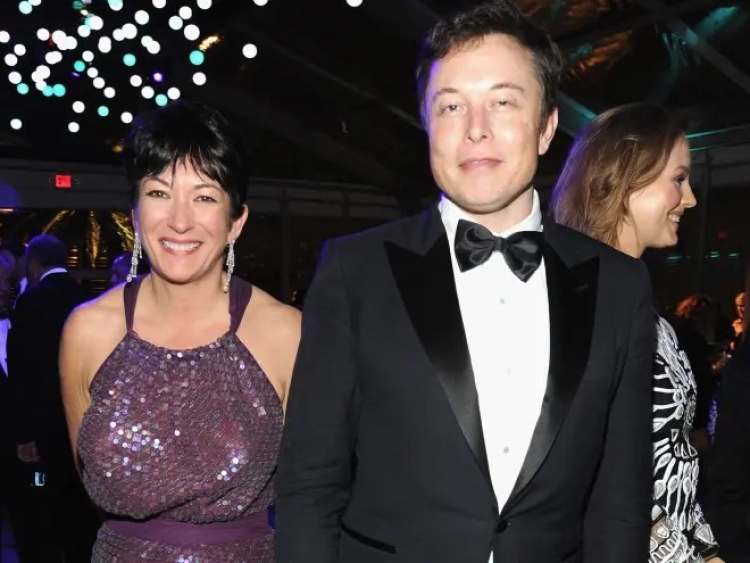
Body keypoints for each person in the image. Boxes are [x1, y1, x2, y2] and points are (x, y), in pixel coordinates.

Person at [275, 2, 655, 561]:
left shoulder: (621, 287)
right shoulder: (354, 272)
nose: (476, 129)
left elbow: (621, 501)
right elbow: (309, 486)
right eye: (451, 106)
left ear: (547, 127)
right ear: (428, 125)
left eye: (503, 101)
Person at [59, 100, 301, 562]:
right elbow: (82, 477)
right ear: (135, 213)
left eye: (204, 197)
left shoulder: (286, 334)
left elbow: (315, 494)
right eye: (159, 192)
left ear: (236, 221)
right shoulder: (87, 331)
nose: (180, 220)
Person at [550, 102, 722, 563]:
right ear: (625, 178)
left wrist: (707, 552)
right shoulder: (577, 305)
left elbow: (674, 459)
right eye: (678, 179)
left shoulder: (649, 314)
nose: (690, 199)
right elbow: (591, 480)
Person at [7, 234, 99, 562]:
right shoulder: (86, 298)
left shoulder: (30, 302)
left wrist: (24, 433)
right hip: (83, 421)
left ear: (33, 263)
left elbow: (23, 371)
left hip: (44, 424)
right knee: (79, 503)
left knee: (42, 495)